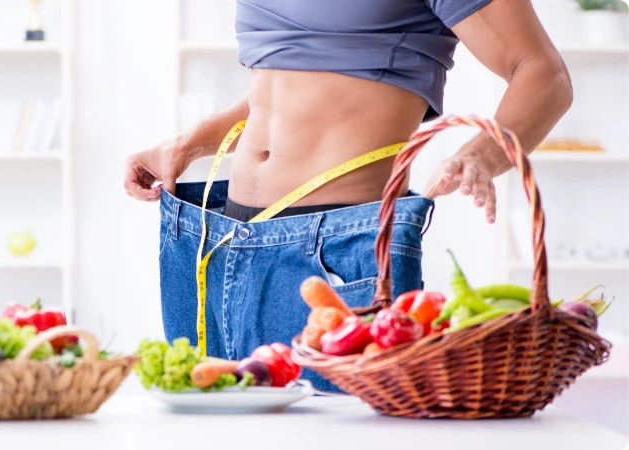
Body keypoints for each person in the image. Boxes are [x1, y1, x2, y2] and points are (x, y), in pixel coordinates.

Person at [124, 0, 572, 391]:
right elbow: (291, 85)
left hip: (335, 255)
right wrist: (186, 144)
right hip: (218, 240)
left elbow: (543, 74)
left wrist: (481, 155)